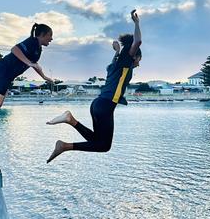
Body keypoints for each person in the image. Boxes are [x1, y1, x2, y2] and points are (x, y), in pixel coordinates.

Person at [46, 10, 141, 163]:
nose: (138, 64)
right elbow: (137, 42)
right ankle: (65, 140)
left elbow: (114, 62)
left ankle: (69, 126)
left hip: (98, 105)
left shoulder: (115, 65)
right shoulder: (126, 61)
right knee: (103, 146)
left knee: (99, 141)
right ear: (133, 55)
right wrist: (136, 23)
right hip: (105, 106)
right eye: (138, 59)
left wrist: (116, 52)